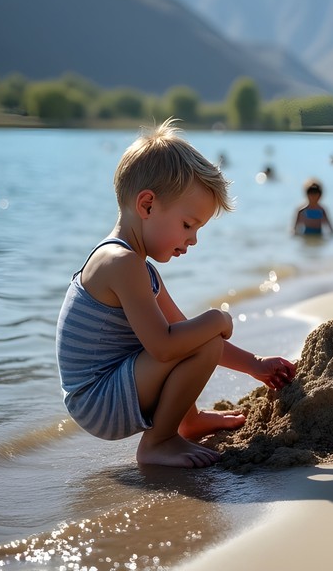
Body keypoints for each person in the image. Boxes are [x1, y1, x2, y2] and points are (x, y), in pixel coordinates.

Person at [55, 120, 295, 468]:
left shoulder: (140, 267)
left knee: (196, 337)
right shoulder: (119, 262)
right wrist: (218, 318)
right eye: (188, 225)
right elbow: (165, 346)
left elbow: (180, 332)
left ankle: (187, 421)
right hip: (98, 401)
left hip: (113, 389)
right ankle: (159, 442)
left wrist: (254, 365)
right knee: (201, 336)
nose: (193, 239)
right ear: (148, 206)